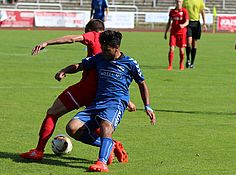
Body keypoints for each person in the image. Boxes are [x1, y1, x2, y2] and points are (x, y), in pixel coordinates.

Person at [20, 19, 135, 162]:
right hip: (103, 93)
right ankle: (111, 145)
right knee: (95, 124)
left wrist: (47, 42)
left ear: (88, 30)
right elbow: (117, 75)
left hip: (86, 88)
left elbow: (71, 39)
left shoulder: (93, 35)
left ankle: (38, 151)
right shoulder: (112, 46)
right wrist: (126, 100)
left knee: (52, 113)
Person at [56, 30, 156, 172]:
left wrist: (148, 106)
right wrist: (64, 70)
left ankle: (101, 162)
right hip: (97, 102)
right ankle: (111, 145)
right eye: (102, 48)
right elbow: (80, 65)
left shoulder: (130, 63)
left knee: (105, 126)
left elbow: (142, 84)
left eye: (107, 49)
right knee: (72, 128)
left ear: (116, 48)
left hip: (116, 103)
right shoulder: (99, 58)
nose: (103, 51)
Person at [164, 0, 189, 71]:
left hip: (182, 33)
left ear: (182, 2)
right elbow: (169, 22)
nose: (178, 3)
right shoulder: (172, 11)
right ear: (175, 2)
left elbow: (187, 22)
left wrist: (183, 25)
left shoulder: (184, 11)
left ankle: (181, 64)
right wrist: (165, 32)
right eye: (177, 1)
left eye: (180, 1)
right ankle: (170, 65)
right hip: (173, 33)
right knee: (171, 48)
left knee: (181, 51)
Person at [183, 0, 207, 68]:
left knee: (194, 43)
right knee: (188, 42)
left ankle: (192, 63)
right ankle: (188, 59)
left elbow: (202, 11)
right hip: (188, 23)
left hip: (196, 24)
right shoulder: (185, 1)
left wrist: (204, 23)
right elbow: (183, 11)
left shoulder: (200, 1)